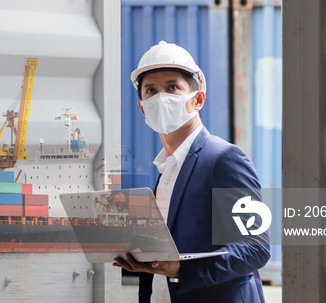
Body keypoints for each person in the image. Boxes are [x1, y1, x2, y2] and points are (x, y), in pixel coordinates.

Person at [113, 41, 271, 302]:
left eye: (172, 87)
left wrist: (182, 268)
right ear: (142, 108)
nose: (160, 97)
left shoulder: (224, 159)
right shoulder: (166, 170)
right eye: (150, 90)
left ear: (197, 100)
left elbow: (255, 248)